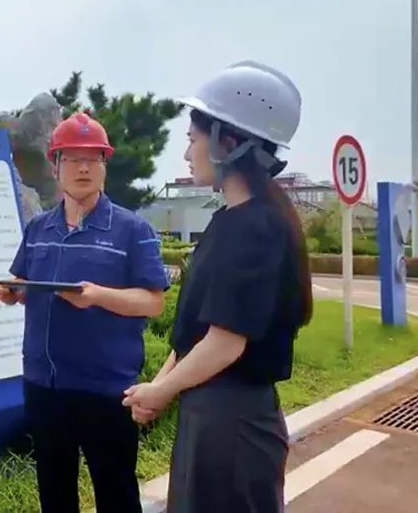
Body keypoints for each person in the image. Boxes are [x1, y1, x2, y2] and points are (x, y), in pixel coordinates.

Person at [121, 61, 313, 513]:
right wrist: (160, 386)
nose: (187, 154)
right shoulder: (229, 220)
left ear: (228, 141)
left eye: (192, 139)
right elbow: (197, 332)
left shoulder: (257, 228)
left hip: (235, 424)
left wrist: (163, 391)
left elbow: (225, 343)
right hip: (209, 415)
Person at [0, 110, 170, 513]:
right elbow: (22, 282)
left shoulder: (132, 230)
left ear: (105, 166)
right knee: (54, 494)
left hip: (105, 389)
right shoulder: (39, 229)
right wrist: (11, 292)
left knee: (116, 494)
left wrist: (98, 296)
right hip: (44, 386)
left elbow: (153, 300)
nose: (83, 168)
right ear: (55, 166)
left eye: (93, 159)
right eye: (72, 159)